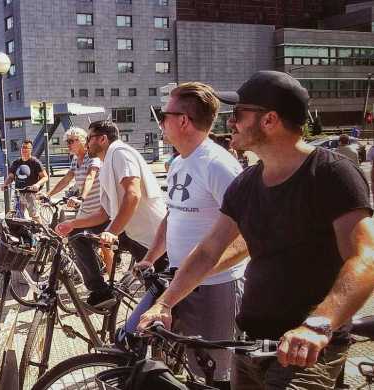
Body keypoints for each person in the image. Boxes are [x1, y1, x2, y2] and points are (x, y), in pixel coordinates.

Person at [138, 70, 374, 390]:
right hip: (251, 347)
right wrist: (165, 303)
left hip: (307, 352)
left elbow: (365, 257)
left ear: (269, 120)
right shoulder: (246, 183)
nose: (230, 122)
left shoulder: (331, 173)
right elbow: (210, 249)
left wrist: (318, 325)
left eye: (238, 114)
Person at [134, 84, 249, 390]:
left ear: (183, 120)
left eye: (164, 115)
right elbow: (172, 215)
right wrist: (150, 257)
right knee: (175, 360)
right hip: (180, 281)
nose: (161, 122)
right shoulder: (179, 163)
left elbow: (247, 235)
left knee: (213, 375)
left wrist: (197, 272)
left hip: (215, 287)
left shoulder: (218, 164)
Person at [55, 120, 168, 308]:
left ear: (103, 139)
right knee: (77, 236)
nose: (87, 142)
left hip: (152, 238)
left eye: (89, 138)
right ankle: (101, 291)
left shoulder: (119, 152)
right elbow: (103, 213)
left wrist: (113, 231)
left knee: (157, 297)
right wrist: (73, 224)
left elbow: (133, 194)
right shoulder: (107, 162)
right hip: (131, 233)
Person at [43, 127, 112, 274]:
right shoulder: (75, 160)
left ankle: (111, 281)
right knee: (75, 237)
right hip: (85, 209)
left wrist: (81, 197)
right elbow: (66, 179)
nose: (68, 144)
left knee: (104, 245)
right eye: (66, 141)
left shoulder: (92, 157)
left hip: (100, 209)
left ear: (81, 141)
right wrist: (48, 194)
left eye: (70, 141)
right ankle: (90, 272)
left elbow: (90, 177)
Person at [1, 140, 48, 221]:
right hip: (19, 193)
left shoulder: (35, 162)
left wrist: (37, 184)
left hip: (31, 193)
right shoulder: (16, 162)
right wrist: (5, 184)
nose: (24, 149)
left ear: (31, 149)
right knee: (17, 216)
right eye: (23, 147)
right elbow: (11, 177)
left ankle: (41, 231)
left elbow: (45, 177)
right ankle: (22, 233)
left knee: (34, 216)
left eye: (27, 148)